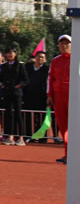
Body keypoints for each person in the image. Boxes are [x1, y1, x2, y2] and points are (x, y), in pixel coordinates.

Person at [48, 35, 71, 164]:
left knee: (74, 127)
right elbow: (50, 79)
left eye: (67, 43)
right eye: (62, 44)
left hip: (74, 97)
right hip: (59, 97)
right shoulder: (55, 61)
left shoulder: (77, 58)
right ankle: (68, 154)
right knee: (63, 127)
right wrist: (49, 95)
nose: (64, 46)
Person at [0, 46, 28, 146]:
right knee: (8, 115)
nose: (10, 54)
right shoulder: (4, 66)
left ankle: (21, 137)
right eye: (8, 53)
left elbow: (25, 79)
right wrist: (2, 84)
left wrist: (18, 86)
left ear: (15, 54)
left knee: (18, 114)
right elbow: (1, 78)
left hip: (17, 93)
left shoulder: (20, 65)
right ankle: (10, 136)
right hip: (7, 92)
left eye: (12, 52)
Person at [24, 50, 49, 141]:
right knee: (28, 117)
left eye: (42, 57)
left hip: (41, 97)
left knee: (41, 117)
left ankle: (42, 137)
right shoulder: (28, 67)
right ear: (35, 58)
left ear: (45, 59)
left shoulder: (47, 69)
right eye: (38, 56)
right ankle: (28, 136)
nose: (40, 58)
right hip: (28, 96)